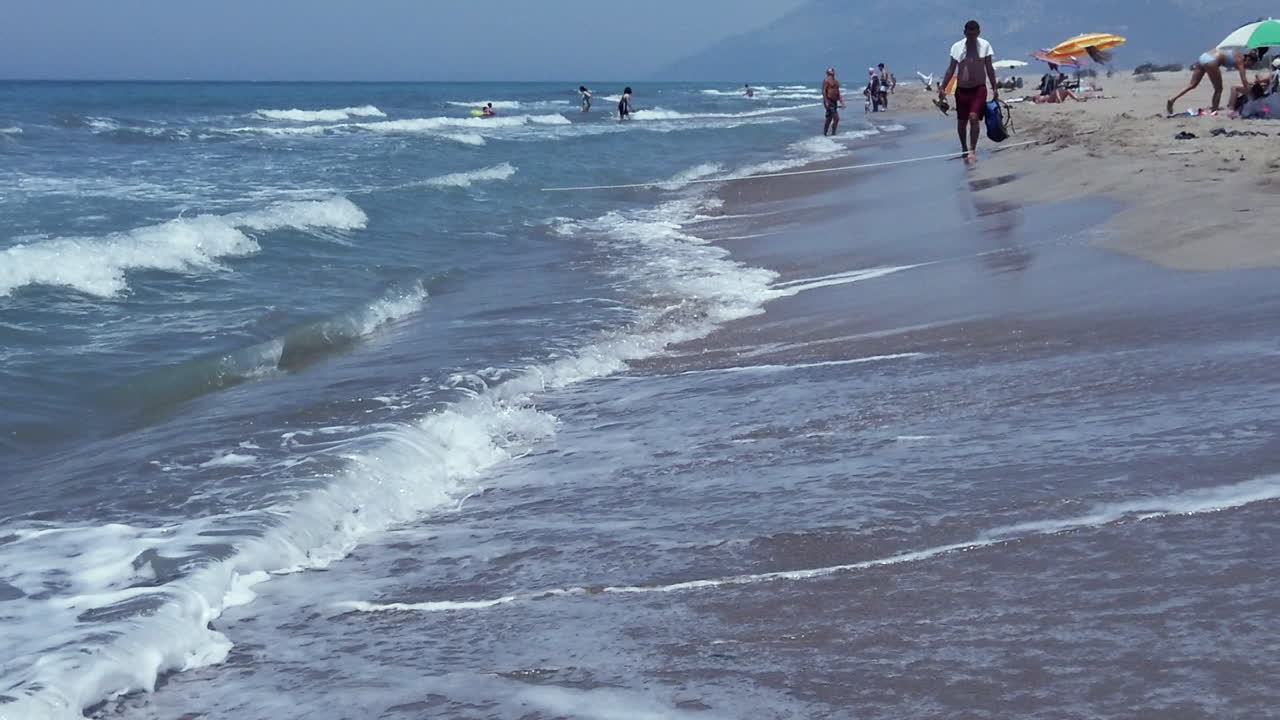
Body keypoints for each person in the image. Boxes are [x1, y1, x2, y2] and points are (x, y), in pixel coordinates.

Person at [939, 19, 998, 165]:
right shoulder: (957, 47)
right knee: (962, 122)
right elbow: (951, 69)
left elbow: (989, 68)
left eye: (974, 34)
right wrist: (943, 88)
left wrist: (995, 87)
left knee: (973, 117)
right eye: (969, 34)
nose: (971, 37)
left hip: (979, 88)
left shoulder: (985, 46)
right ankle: (964, 147)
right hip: (962, 89)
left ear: (978, 33)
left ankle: (972, 149)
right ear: (964, 33)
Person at [1166, 46, 1268, 114]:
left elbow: (1245, 81)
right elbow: (1244, 79)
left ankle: (1172, 99)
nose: (1248, 66)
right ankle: (1214, 111)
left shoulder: (1237, 55)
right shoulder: (1240, 61)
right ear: (1248, 59)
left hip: (1204, 57)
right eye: (1250, 64)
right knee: (1218, 89)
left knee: (1192, 85)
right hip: (1212, 61)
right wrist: (1253, 94)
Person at [822, 67, 844, 135]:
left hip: (834, 101)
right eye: (831, 71)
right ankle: (833, 133)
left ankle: (825, 134)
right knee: (836, 118)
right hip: (829, 100)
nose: (833, 72)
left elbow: (838, 92)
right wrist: (826, 101)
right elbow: (824, 91)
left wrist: (841, 101)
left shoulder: (836, 81)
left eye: (833, 71)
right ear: (828, 73)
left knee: (829, 118)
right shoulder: (826, 80)